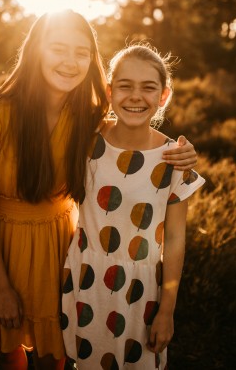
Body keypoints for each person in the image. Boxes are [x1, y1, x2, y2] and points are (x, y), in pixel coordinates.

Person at [0, 10, 198, 370]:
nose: (70, 62)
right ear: (36, 51)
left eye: (81, 51)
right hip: (6, 249)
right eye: (58, 48)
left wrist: (182, 151)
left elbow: (132, 129)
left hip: (64, 250)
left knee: (54, 354)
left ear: (92, 59)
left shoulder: (88, 118)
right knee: (8, 351)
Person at [62, 43, 205, 370]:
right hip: (85, 278)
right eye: (125, 86)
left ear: (164, 96)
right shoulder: (87, 137)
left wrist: (166, 311)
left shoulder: (173, 158)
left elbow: (175, 240)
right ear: (110, 92)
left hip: (140, 292)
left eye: (148, 87)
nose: (136, 96)